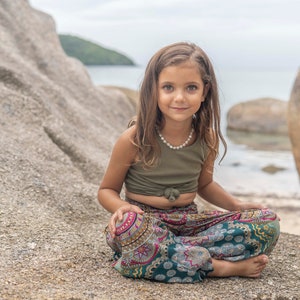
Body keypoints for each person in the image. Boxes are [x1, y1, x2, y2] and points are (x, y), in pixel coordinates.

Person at [98, 42, 280, 283]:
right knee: (130, 228)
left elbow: (204, 185)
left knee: (267, 222)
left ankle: (173, 254)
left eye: (191, 87)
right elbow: (106, 190)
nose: (180, 97)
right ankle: (219, 267)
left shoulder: (207, 138)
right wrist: (120, 208)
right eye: (168, 87)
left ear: (205, 91)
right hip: (146, 222)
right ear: (154, 90)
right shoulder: (134, 139)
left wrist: (236, 205)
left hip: (189, 223)